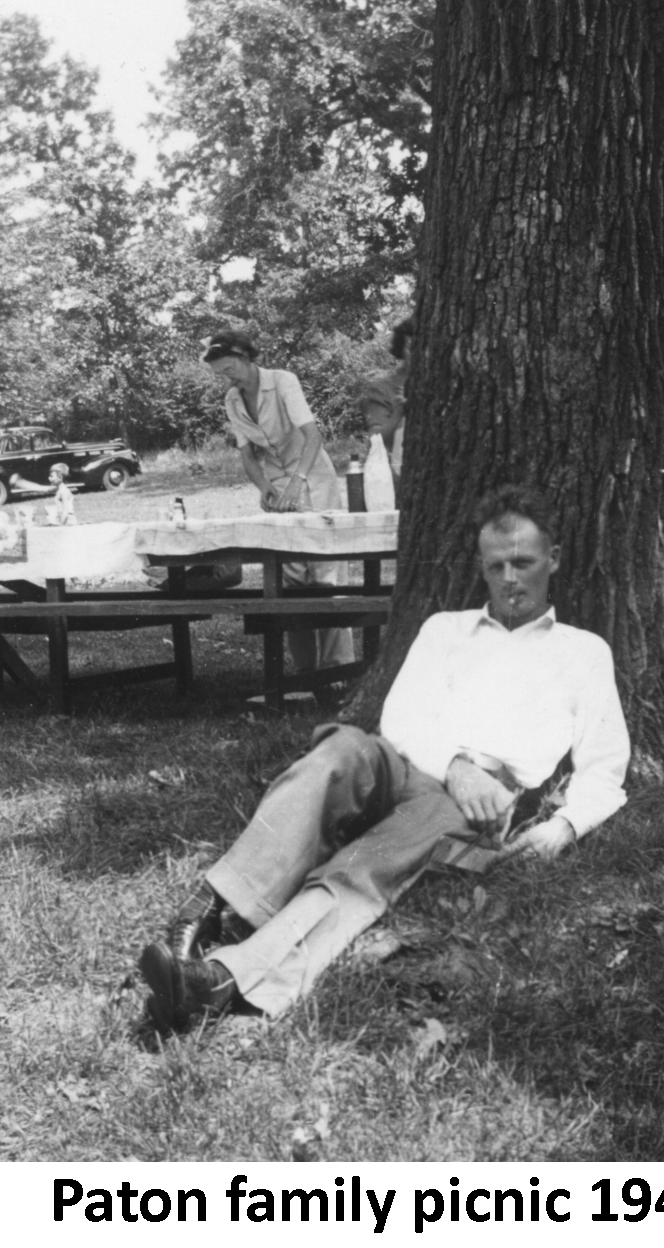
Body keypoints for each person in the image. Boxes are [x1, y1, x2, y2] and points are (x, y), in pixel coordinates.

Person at [139, 484, 630, 1031]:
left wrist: (563, 826)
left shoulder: (583, 651)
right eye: (496, 567)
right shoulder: (445, 629)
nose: (510, 580)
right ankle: (209, 905)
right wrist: (455, 766)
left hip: (478, 804)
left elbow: (606, 764)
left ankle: (219, 980)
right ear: (481, 566)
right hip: (413, 765)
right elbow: (399, 720)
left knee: (363, 867)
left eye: (524, 563)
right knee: (340, 750)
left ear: (554, 559)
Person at [202, 329, 354, 672]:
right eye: (220, 375)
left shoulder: (283, 381)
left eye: (230, 369)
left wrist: (297, 484)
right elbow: (247, 455)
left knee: (327, 579)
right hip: (278, 485)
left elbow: (313, 436)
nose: (228, 378)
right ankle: (305, 675)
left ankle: (338, 671)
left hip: (313, 478)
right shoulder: (232, 400)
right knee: (291, 582)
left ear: (245, 357)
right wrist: (263, 488)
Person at [362, 318, 413, 480]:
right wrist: (399, 414)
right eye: (413, 348)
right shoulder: (383, 387)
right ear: (401, 350)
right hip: (395, 479)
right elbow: (374, 440)